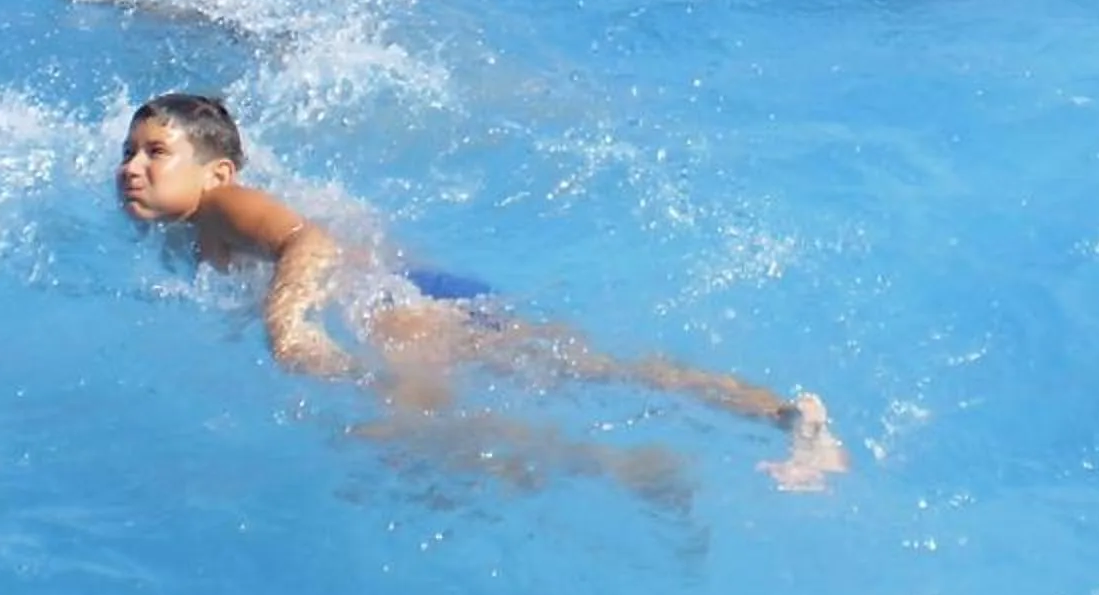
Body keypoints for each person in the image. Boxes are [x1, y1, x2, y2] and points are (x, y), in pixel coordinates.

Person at [117, 90, 849, 496]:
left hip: (396, 309)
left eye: (156, 153)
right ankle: (781, 413)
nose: (133, 168)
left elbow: (313, 242)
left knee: (417, 438)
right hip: (419, 294)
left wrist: (289, 324)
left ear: (219, 171)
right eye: (128, 152)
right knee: (587, 368)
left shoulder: (226, 205)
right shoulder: (190, 222)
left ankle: (632, 471)